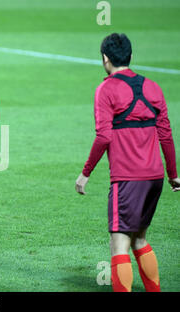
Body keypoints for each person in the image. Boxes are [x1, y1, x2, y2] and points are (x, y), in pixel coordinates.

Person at [75, 33, 180, 292]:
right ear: (130, 57)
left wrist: (85, 173)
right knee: (140, 240)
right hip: (154, 178)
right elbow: (165, 134)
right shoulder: (153, 87)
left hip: (127, 180)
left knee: (119, 245)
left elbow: (103, 136)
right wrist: (173, 174)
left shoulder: (106, 89)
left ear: (105, 59)